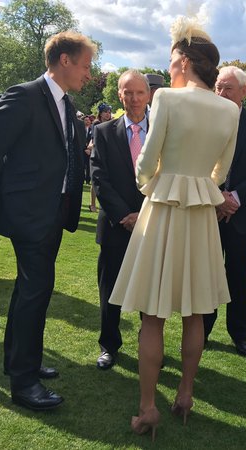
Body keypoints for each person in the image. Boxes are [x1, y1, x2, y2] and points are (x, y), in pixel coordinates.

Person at [108, 17, 239, 438]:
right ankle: (185, 393)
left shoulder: (166, 97)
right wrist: (199, 185)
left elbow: (146, 162)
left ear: (183, 60)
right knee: (195, 311)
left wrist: (153, 186)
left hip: (164, 209)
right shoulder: (230, 109)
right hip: (200, 214)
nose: (168, 68)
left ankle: (148, 407)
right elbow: (222, 171)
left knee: (153, 314)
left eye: (171, 60)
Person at [0, 31, 96, 411]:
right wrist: (5, 194)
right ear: (64, 60)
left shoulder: (67, 105)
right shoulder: (24, 95)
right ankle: (24, 381)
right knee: (35, 289)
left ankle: (19, 360)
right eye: (85, 65)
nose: (88, 74)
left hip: (53, 213)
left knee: (30, 289)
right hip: (29, 214)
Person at [203, 66, 246, 359]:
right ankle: (201, 332)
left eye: (228, 88)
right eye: (218, 87)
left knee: (238, 277)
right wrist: (217, 197)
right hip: (208, 211)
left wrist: (235, 198)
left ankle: (239, 334)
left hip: (241, 215)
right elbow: (197, 163)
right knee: (206, 275)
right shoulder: (204, 119)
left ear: (244, 91)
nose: (221, 93)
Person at [90, 70, 149, 370]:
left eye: (140, 92)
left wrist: (145, 214)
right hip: (116, 226)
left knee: (149, 292)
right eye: (128, 92)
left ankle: (149, 346)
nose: (134, 99)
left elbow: (168, 177)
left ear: (148, 95)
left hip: (152, 225)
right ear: (119, 95)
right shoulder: (103, 132)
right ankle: (109, 345)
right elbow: (99, 177)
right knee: (110, 289)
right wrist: (124, 215)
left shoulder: (164, 130)